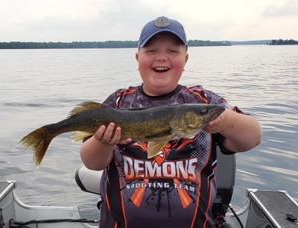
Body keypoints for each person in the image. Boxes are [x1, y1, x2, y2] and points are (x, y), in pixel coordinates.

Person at [80, 16, 262, 228]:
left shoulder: (204, 101)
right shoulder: (118, 102)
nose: (161, 58)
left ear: (185, 59)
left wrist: (224, 121)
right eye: (152, 51)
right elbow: (91, 162)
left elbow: (253, 137)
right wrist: (103, 143)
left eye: (172, 51)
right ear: (137, 58)